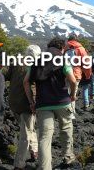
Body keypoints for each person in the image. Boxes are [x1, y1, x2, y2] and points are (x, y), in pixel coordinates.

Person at [23, 37, 79, 170]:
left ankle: (44, 167)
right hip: (62, 102)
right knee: (66, 129)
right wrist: (72, 94)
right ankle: (68, 157)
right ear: (62, 48)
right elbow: (72, 79)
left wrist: (31, 101)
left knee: (44, 137)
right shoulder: (62, 58)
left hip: (43, 104)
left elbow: (26, 82)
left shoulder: (37, 61)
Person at [3, 45, 41, 170]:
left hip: (13, 102)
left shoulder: (16, 62)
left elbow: (6, 76)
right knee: (26, 133)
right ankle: (19, 164)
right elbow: (33, 86)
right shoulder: (35, 66)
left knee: (28, 128)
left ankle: (34, 151)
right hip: (26, 103)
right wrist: (33, 103)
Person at [65, 34, 92, 113]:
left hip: (64, 74)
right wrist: (87, 75)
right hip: (76, 73)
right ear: (76, 40)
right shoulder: (81, 49)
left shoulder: (64, 48)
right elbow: (86, 63)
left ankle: (64, 111)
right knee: (73, 94)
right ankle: (71, 113)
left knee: (65, 92)